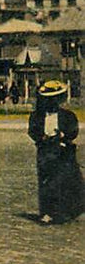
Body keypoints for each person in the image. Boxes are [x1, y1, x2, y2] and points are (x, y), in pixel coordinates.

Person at [27, 80, 84, 224]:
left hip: (63, 152)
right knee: (46, 182)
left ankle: (65, 211)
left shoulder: (68, 115)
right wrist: (42, 137)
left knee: (65, 181)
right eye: (48, 99)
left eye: (54, 99)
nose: (51, 102)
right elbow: (32, 131)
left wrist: (64, 135)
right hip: (45, 152)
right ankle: (46, 212)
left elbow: (73, 131)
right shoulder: (36, 116)